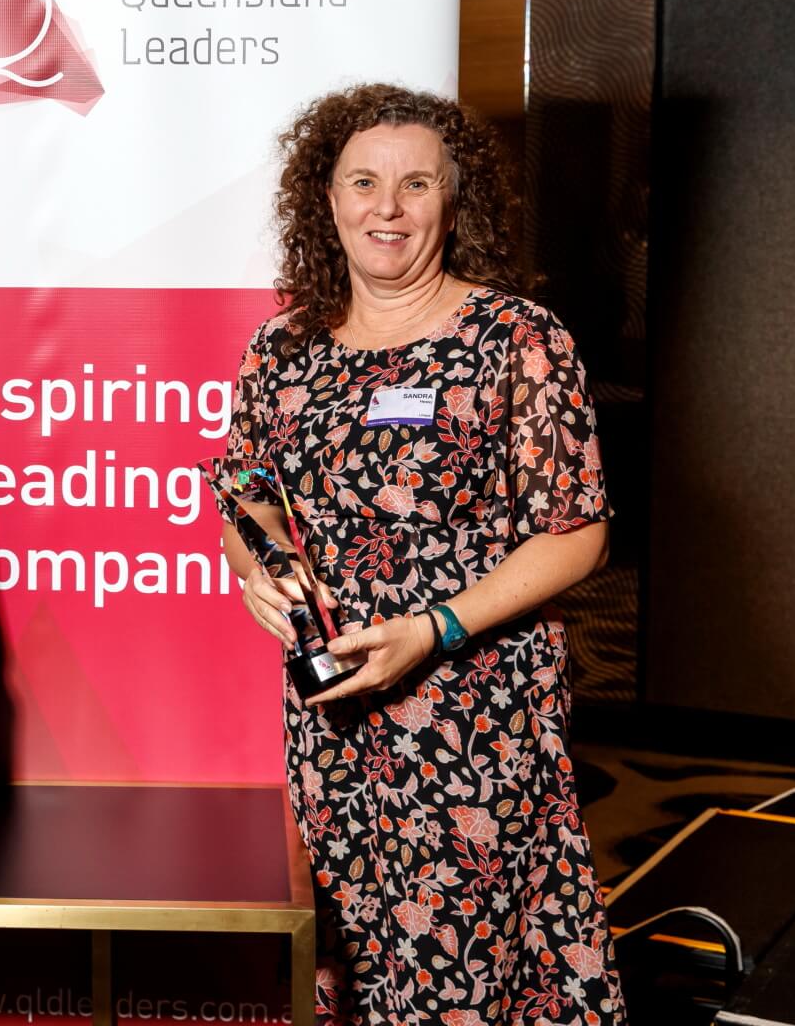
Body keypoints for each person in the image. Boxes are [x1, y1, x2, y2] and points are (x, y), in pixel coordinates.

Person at [219, 84, 626, 1024]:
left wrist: (433, 629)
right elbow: (245, 495)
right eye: (363, 181)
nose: (388, 208)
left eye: (416, 184)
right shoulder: (282, 347)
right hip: (334, 713)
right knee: (349, 950)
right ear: (327, 198)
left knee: (463, 966)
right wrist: (260, 568)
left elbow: (579, 531)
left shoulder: (517, 339)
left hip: (476, 717)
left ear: (454, 199)